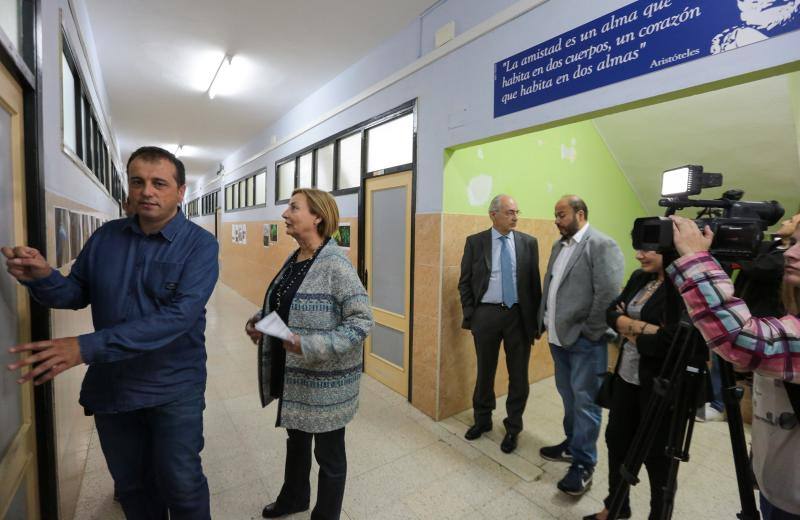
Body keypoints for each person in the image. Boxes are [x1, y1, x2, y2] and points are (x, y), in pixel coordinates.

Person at [4, 146, 219, 519]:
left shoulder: (200, 246)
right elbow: (76, 293)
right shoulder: (106, 238)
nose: (147, 191)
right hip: (115, 389)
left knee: (181, 485)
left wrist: (84, 347)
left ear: (180, 191)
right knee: (133, 487)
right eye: (138, 182)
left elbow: (178, 317)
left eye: (159, 183)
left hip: (173, 387)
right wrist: (45, 278)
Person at [244, 188, 372, 520]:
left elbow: (361, 321)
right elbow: (283, 304)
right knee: (296, 441)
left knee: (329, 457)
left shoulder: (336, 265)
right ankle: (294, 498)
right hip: (295, 378)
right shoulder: (297, 258)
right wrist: (259, 322)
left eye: (293, 207)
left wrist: (309, 345)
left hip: (327, 385)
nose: (285, 214)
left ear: (316, 216)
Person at [670, 215, 800, 519]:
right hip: (778, 487)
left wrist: (694, 258)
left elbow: (740, 340)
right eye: (793, 243)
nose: (790, 253)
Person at [537, 195, 624, 495]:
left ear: (580, 214)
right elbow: (550, 285)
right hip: (558, 339)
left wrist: (590, 332)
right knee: (569, 396)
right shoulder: (559, 245)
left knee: (586, 402)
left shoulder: (601, 244)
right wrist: (543, 319)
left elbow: (609, 294)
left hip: (585, 341)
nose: (556, 220)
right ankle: (573, 445)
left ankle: (585, 464)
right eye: (555, 215)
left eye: (561, 215)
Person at [585, 250, 671, 520]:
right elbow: (610, 313)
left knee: (658, 461)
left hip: (659, 389)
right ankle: (616, 506)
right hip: (625, 378)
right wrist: (643, 328)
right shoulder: (640, 277)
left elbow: (671, 342)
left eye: (649, 248)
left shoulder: (684, 287)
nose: (639, 254)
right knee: (617, 442)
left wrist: (627, 325)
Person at [457, 194, 542, 453]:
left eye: (517, 211)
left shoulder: (529, 243)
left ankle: (513, 428)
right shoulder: (476, 242)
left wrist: (536, 323)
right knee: (485, 372)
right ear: (493, 214)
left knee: (518, 376)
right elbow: (465, 282)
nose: (515, 216)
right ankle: (482, 421)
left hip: (518, 317)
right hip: (487, 316)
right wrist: (472, 315)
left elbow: (533, 286)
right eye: (509, 212)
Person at [699, 210, 800, 422]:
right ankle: (720, 403)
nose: (785, 221)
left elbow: (758, 268)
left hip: (765, 316)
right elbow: (747, 259)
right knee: (723, 359)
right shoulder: (770, 247)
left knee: (756, 364)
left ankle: (729, 406)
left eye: (791, 220)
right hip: (744, 307)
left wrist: (699, 260)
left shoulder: (780, 257)